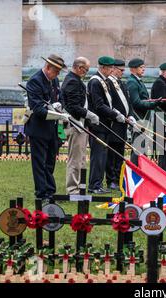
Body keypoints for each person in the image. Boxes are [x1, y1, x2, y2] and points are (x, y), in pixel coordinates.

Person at [25, 54, 68, 202]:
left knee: (50, 160)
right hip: (38, 127)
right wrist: (52, 110)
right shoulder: (35, 81)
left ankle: (50, 190)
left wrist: (60, 106)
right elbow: (37, 108)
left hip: (52, 127)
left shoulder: (53, 79)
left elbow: (60, 96)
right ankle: (41, 192)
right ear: (48, 67)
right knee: (39, 162)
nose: (57, 75)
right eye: (56, 71)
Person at [87, 56, 126, 194]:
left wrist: (115, 111)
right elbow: (98, 105)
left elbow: (108, 103)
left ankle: (98, 184)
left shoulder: (104, 81)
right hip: (98, 125)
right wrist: (115, 115)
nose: (111, 70)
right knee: (98, 156)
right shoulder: (95, 82)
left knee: (102, 156)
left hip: (105, 125)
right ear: (102, 67)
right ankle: (94, 185)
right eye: (109, 68)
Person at [61, 57, 100, 195]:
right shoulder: (72, 81)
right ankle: (73, 189)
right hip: (75, 124)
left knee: (81, 158)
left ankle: (80, 186)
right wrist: (89, 114)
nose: (86, 72)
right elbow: (73, 106)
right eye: (86, 70)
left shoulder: (75, 80)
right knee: (76, 159)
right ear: (78, 67)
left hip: (81, 124)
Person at [105, 59, 137, 190]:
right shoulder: (108, 83)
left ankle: (118, 177)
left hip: (123, 122)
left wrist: (130, 115)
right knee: (112, 152)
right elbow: (109, 102)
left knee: (120, 152)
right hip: (114, 122)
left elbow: (128, 102)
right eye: (121, 70)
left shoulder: (122, 84)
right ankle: (111, 179)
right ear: (113, 69)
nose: (122, 73)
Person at [127, 58, 159, 163]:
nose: (143, 69)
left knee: (142, 149)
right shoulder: (132, 82)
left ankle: (142, 171)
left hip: (143, 119)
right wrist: (153, 104)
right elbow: (136, 102)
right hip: (138, 119)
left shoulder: (138, 81)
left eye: (143, 67)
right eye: (141, 67)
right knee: (138, 149)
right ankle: (136, 172)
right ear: (133, 69)